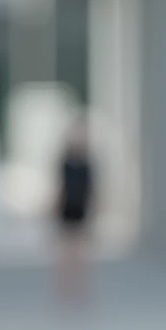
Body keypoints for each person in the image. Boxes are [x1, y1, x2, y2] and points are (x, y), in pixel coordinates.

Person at [54, 119, 97, 296]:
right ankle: (66, 287)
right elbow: (60, 187)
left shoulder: (87, 163)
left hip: (81, 208)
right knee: (66, 250)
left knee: (80, 251)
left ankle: (80, 287)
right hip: (67, 208)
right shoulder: (65, 162)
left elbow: (92, 189)